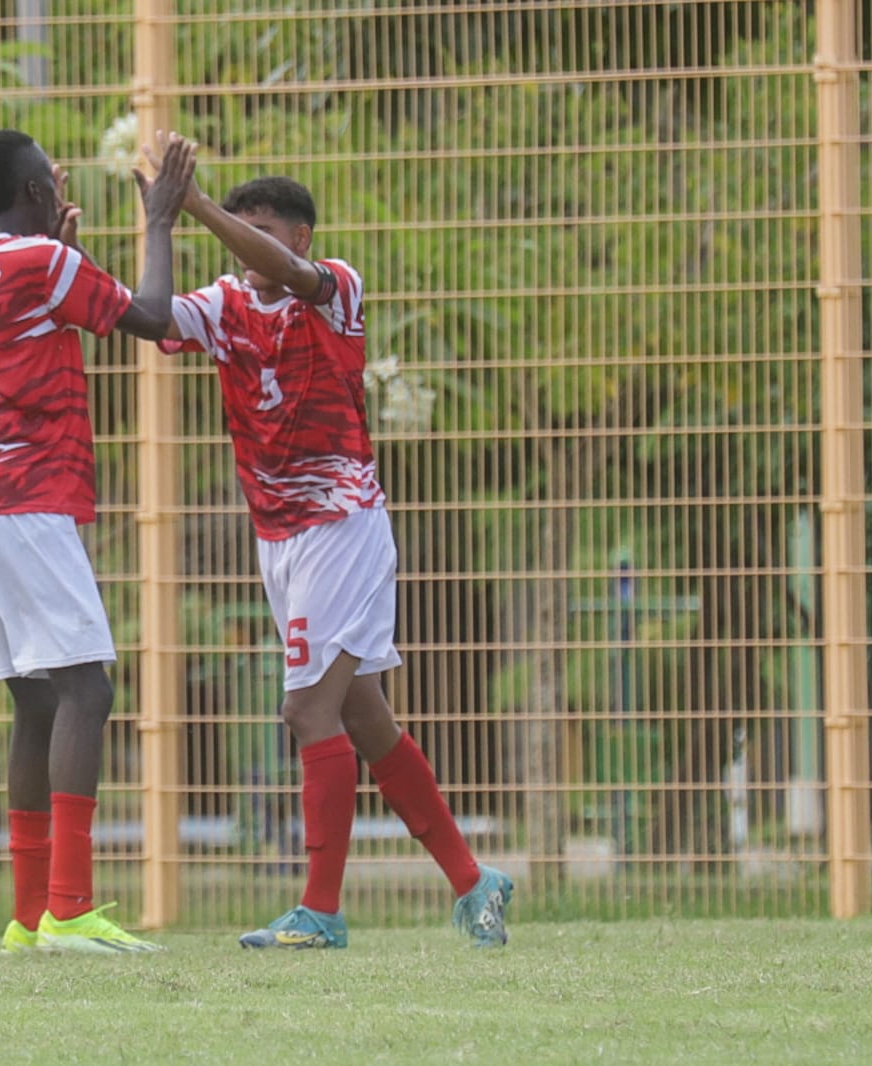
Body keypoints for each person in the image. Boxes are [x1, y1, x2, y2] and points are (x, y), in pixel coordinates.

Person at [154, 165, 514, 949]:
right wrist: (151, 225)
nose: (250, 249)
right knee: (364, 717)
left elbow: (286, 272)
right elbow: (148, 317)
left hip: (342, 522)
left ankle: (320, 910)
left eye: (265, 230)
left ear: (301, 237)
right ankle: (474, 880)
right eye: (239, 230)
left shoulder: (336, 287)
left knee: (305, 708)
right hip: (277, 536)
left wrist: (201, 207)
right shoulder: (224, 306)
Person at [0, 129, 195, 954]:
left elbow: (19, 324)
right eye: (53, 176)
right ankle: (71, 907)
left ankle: (27, 915)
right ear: (41, 189)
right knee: (89, 688)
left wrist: (56, 246)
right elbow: (153, 318)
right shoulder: (44, 266)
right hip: (24, 494)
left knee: (36, 699)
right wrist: (158, 221)